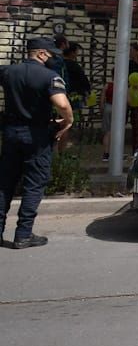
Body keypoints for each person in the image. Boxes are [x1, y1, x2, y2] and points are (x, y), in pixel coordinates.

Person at [0, 37, 73, 249]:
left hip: (11, 133)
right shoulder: (50, 76)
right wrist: (68, 121)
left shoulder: (8, 72)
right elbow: (62, 103)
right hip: (37, 136)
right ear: (41, 53)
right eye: (51, 55)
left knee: (5, 184)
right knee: (34, 184)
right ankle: (23, 234)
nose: (53, 59)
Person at [102, 43, 138, 161]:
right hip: (123, 98)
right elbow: (116, 76)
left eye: (131, 50)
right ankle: (116, 151)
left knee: (136, 125)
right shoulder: (125, 64)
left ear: (137, 52)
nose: (129, 52)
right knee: (119, 125)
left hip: (137, 99)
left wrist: (137, 88)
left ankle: (136, 152)